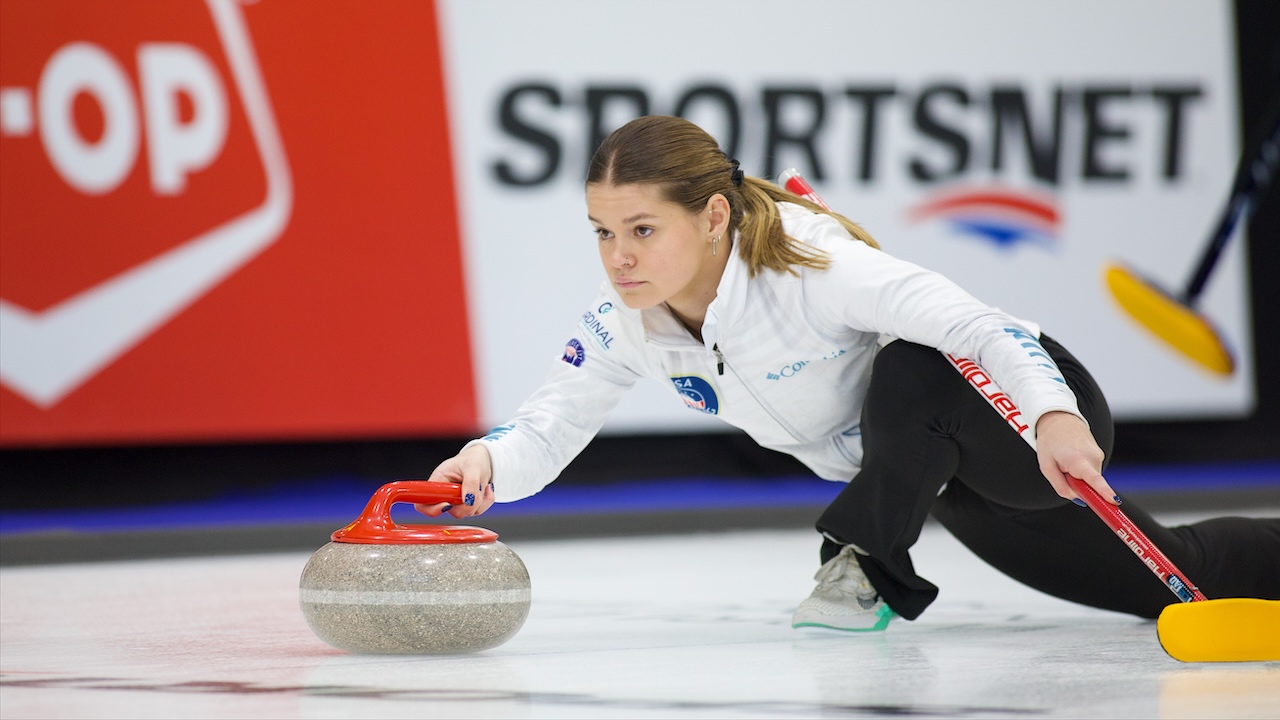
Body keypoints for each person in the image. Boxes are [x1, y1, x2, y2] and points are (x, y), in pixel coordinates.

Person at [417, 114, 1280, 631]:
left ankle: (863, 558)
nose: (618, 257)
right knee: (1171, 580)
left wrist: (1054, 416)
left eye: (642, 230)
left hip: (1020, 414)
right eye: (603, 233)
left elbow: (981, 330)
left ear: (713, 216)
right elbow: (549, 422)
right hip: (930, 474)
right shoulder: (628, 326)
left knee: (909, 365)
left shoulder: (813, 268)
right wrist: (484, 466)